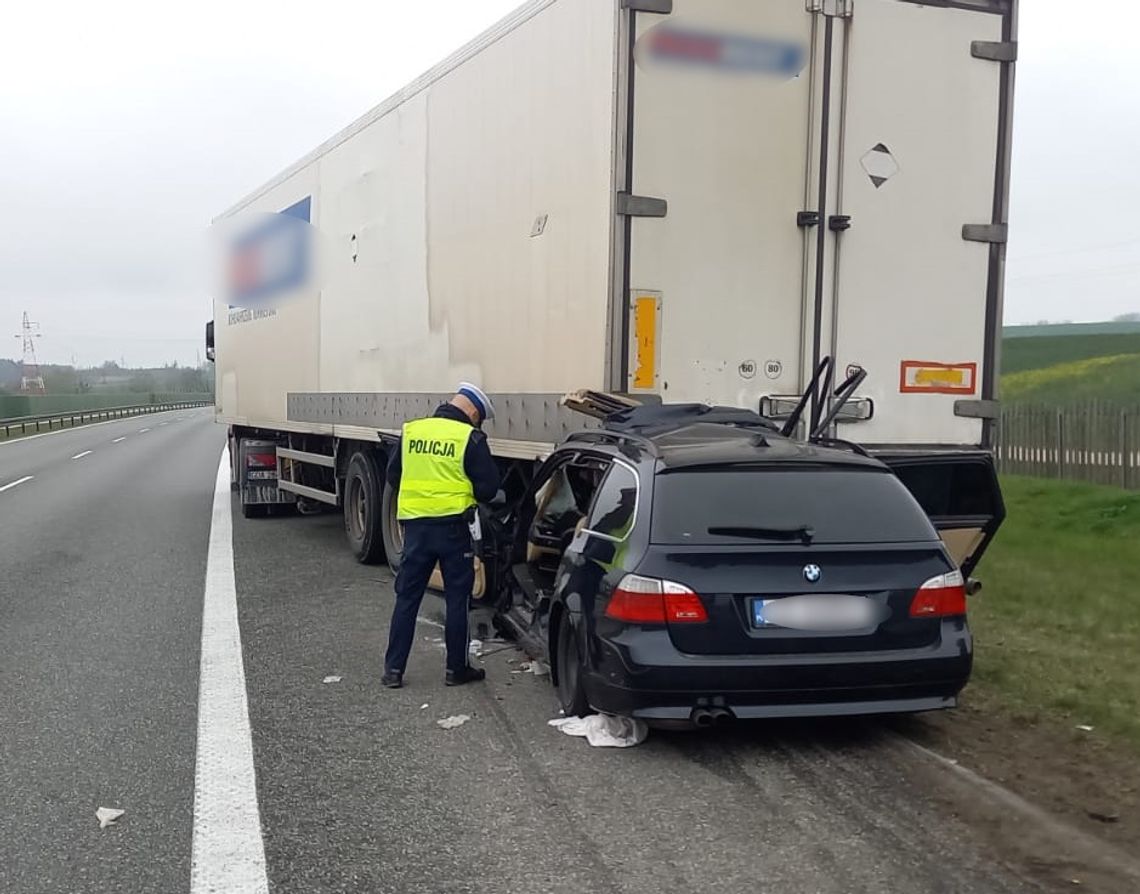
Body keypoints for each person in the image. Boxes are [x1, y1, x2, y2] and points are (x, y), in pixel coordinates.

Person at [381, 383, 502, 689]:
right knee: (457, 599)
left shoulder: (413, 431)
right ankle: (456, 670)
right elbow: (488, 489)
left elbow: (394, 475)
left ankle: (393, 670)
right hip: (453, 531)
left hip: (416, 530)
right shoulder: (469, 438)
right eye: (480, 419)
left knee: (407, 598)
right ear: (473, 412)